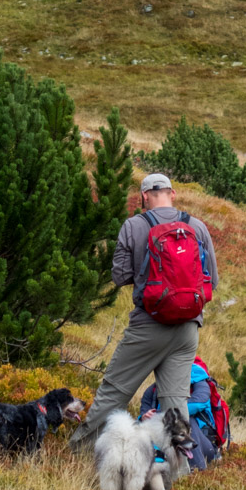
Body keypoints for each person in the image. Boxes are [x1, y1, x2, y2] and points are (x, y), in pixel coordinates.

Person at [69, 172, 218, 451]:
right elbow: (213, 282)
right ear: (172, 194)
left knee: (114, 393)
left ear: (144, 197)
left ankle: (78, 453)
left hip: (147, 326)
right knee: (175, 405)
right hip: (187, 331)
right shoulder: (197, 227)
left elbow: (120, 275)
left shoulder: (134, 225)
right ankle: (178, 474)